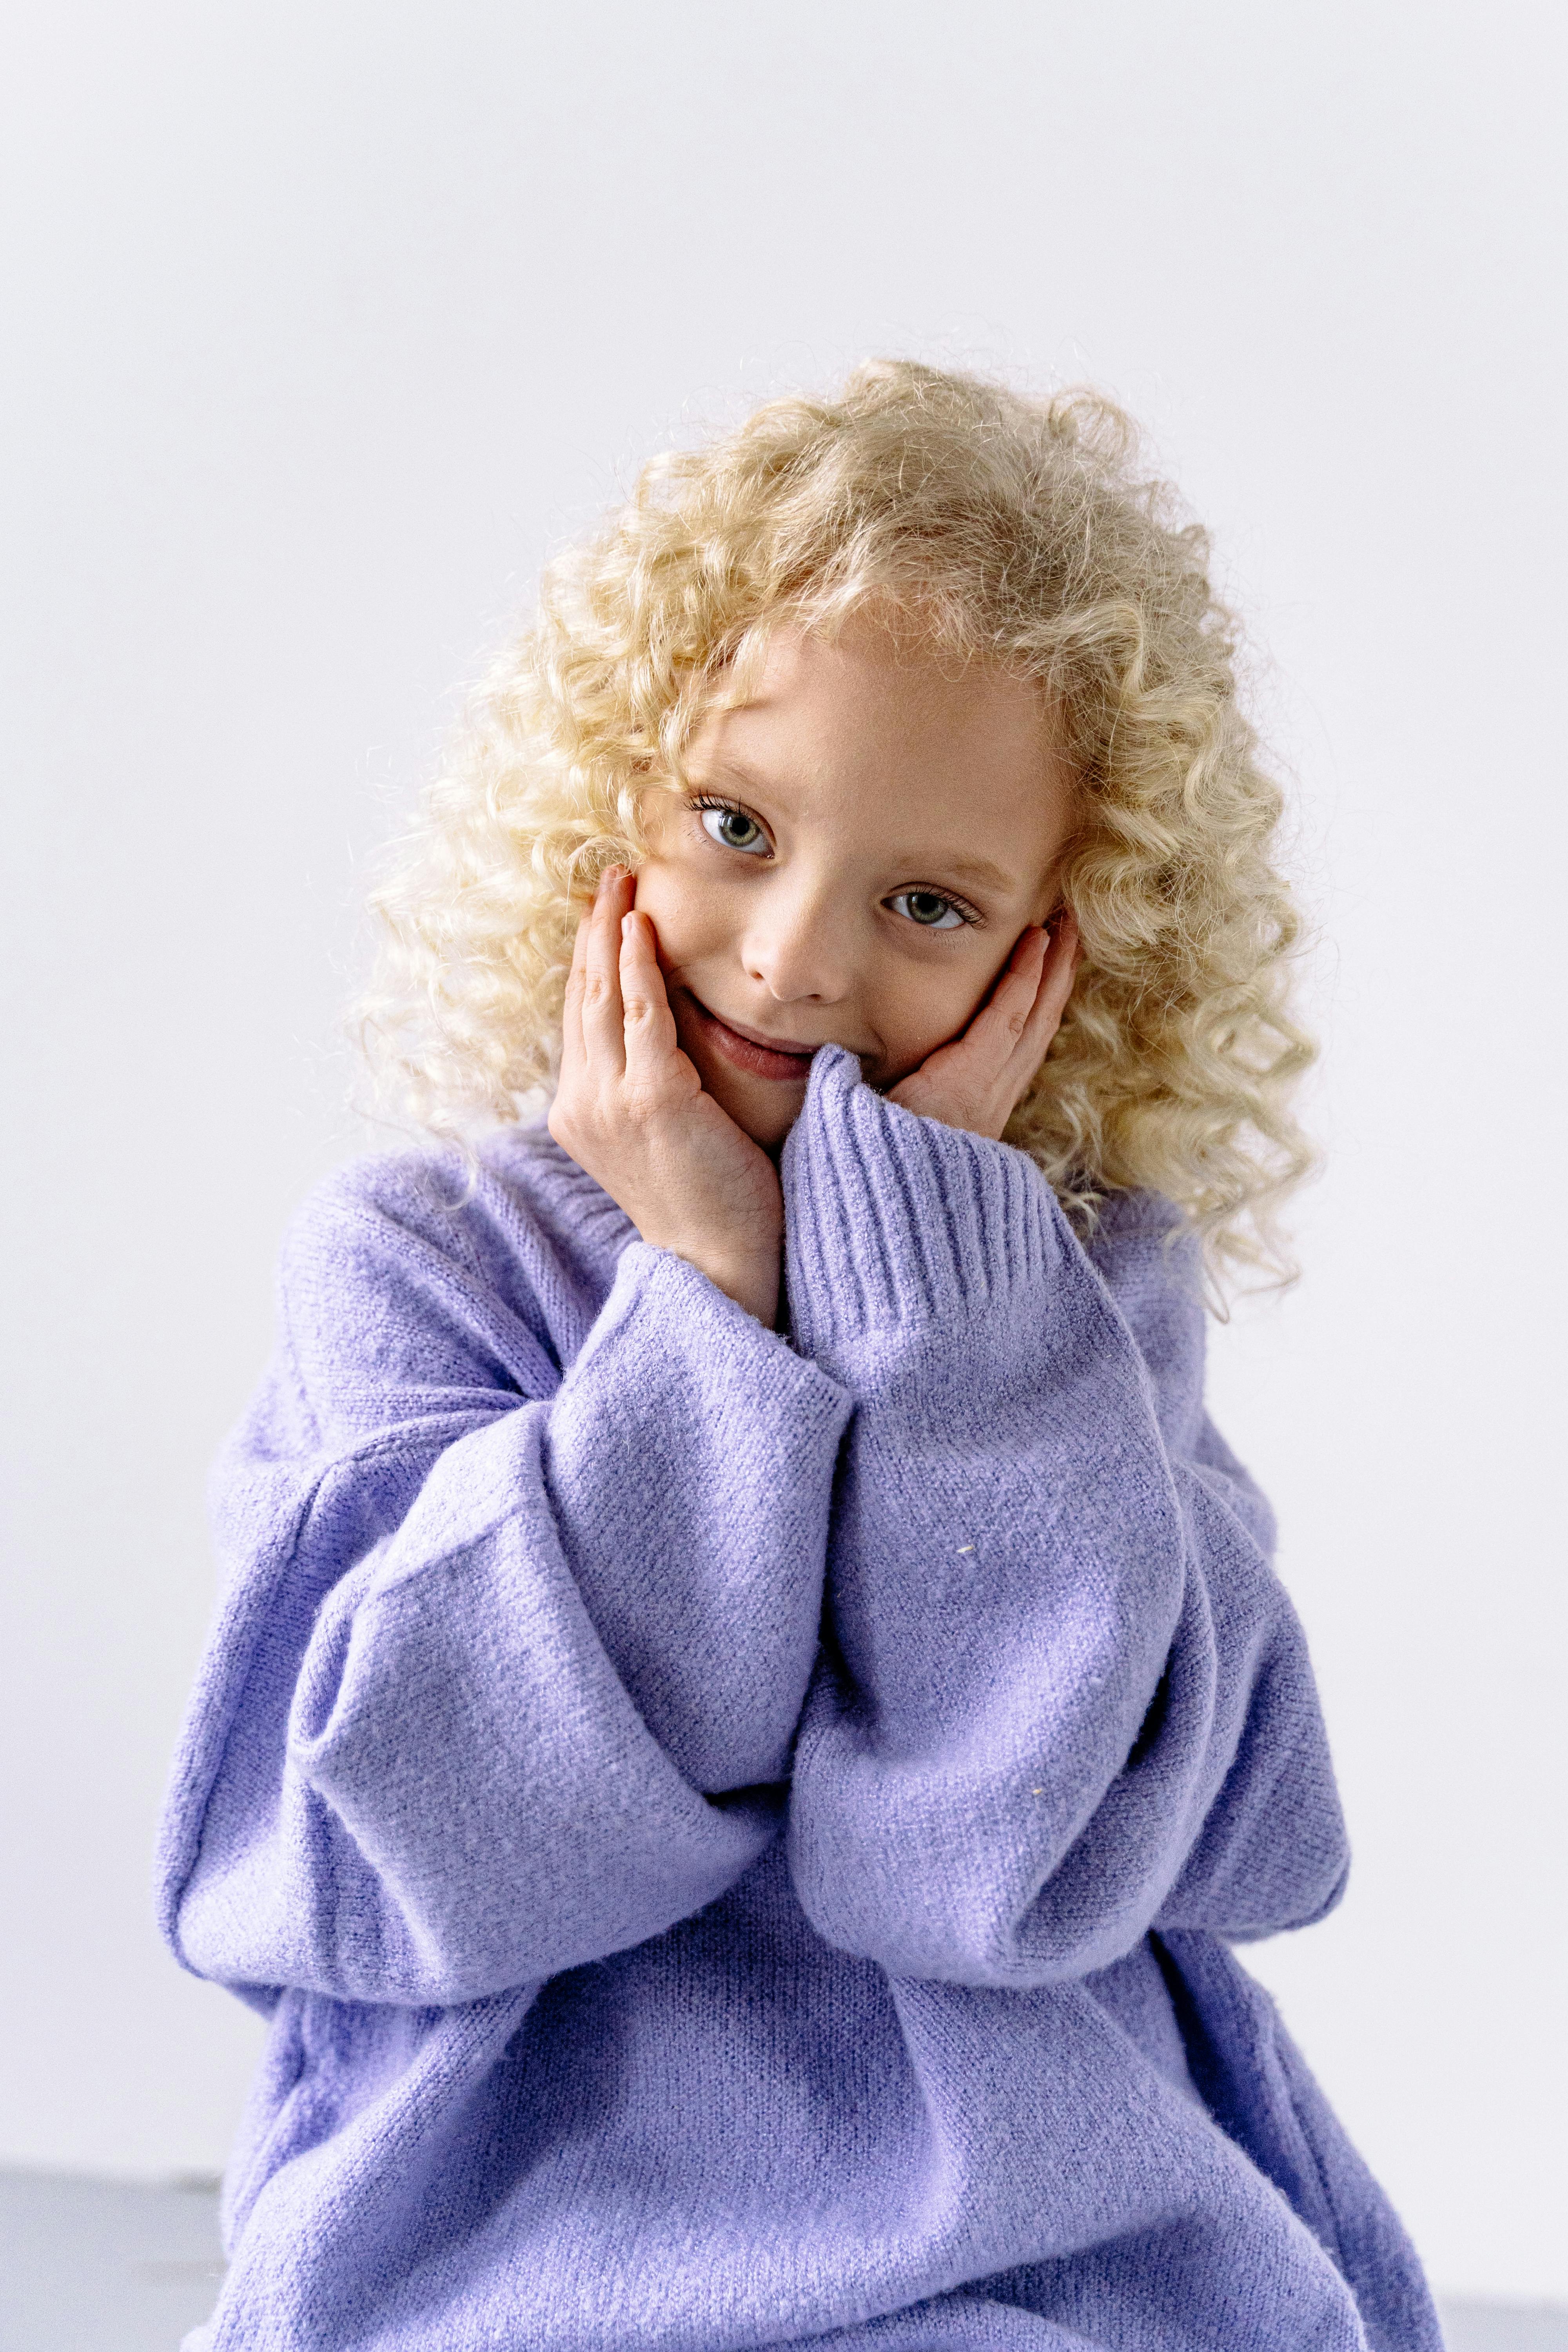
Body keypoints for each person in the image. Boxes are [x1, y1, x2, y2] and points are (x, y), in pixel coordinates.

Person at [158, 361, 1443, 2351]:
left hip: (1046, 2211)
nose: (791, 957)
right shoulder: (416, 1267)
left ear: (1063, 952)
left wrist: (948, 1318)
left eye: (927, 902)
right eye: (735, 825)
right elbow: (420, 1854)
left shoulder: (1074, 1302)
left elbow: (1002, 1872)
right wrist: (698, 1304)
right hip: (532, 2209)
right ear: (613, 798)